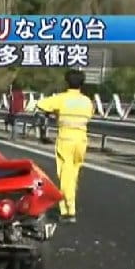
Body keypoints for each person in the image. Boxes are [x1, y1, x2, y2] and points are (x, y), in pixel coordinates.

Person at [35, 69, 94, 224]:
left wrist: (53, 113)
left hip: (65, 139)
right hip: (81, 140)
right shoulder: (87, 101)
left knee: (65, 175)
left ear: (67, 82)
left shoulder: (61, 99)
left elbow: (40, 105)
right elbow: (90, 114)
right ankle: (69, 204)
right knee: (73, 174)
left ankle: (68, 210)